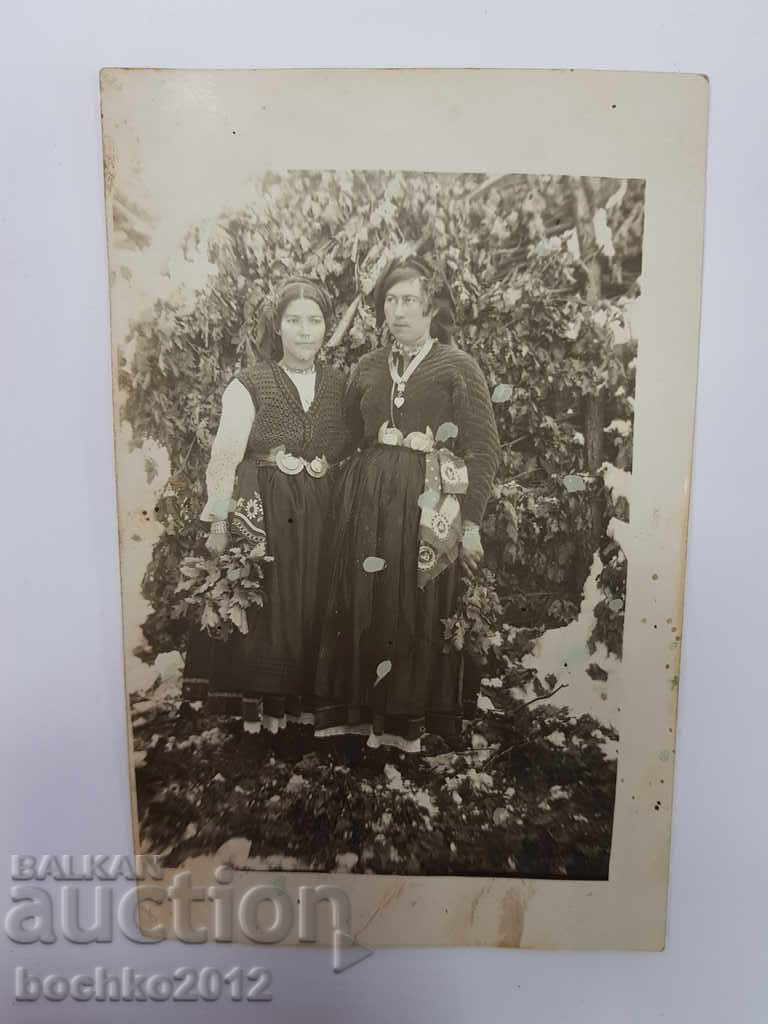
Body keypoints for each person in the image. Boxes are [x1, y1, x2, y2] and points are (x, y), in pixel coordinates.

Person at [313, 257, 501, 753]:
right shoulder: (368, 367)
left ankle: (410, 727)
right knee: (366, 604)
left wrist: (472, 522)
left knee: (414, 607)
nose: (399, 311)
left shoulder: (457, 367)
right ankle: (359, 721)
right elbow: (345, 437)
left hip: (427, 508)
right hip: (368, 510)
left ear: (431, 307)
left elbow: (483, 446)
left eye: (410, 300)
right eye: (390, 301)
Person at [181, 277, 351, 734]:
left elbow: (350, 443)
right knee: (273, 608)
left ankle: (305, 716)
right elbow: (225, 454)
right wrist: (218, 518)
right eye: (294, 321)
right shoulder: (250, 384)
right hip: (266, 511)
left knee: (312, 603)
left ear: (325, 327)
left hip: (320, 514)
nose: (304, 332)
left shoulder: (339, 385)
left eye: (314, 321)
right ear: (277, 327)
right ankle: (265, 722)